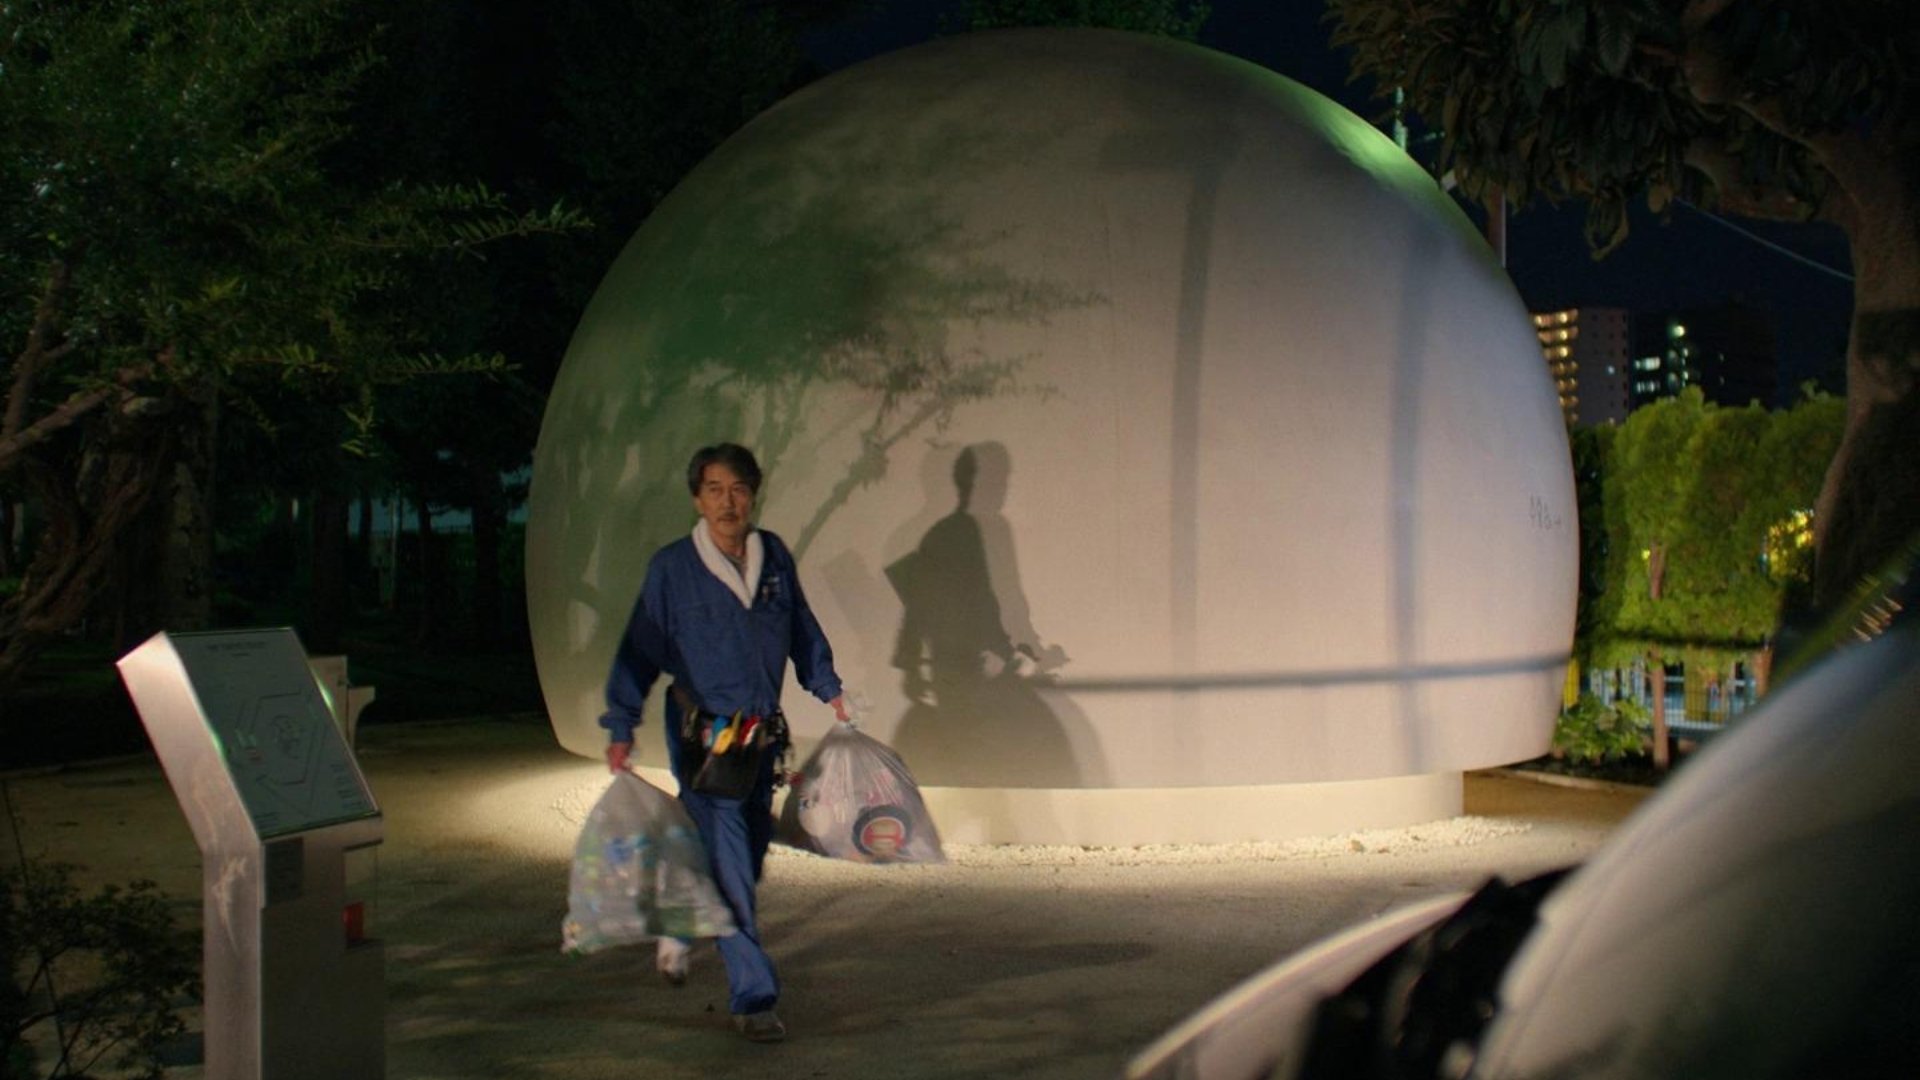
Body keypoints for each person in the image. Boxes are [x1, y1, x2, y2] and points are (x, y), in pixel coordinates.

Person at [601, 442, 849, 1044]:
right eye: (714, 489)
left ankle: (681, 921)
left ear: (753, 495)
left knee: (750, 854)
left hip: (761, 739)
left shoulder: (773, 557)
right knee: (733, 864)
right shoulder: (673, 569)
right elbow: (639, 648)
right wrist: (621, 723)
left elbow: (801, 627)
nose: (727, 502)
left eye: (738, 489)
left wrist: (829, 688)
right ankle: (754, 997)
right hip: (704, 741)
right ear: (697, 499)